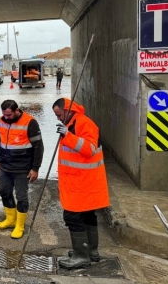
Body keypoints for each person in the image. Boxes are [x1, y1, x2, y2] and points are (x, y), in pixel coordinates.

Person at [52, 98, 109, 269]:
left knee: (72, 217)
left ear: (68, 110)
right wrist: (67, 132)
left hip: (83, 182)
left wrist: (68, 136)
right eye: (56, 116)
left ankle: (81, 256)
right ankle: (90, 251)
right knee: (87, 216)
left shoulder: (84, 124)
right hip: (80, 181)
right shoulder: (71, 124)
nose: (58, 118)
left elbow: (90, 150)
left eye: (59, 114)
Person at [0, 100, 44, 239]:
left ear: (17, 111)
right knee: (4, 192)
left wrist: (35, 168)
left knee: (21, 196)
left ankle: (19, 226)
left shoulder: (30, 123)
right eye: (4, 115)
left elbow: (38, 147)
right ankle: (10, 220)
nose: (6, 117)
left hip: (22, 167)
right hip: (5, 165)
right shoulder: (2, 120)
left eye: (9, 115)